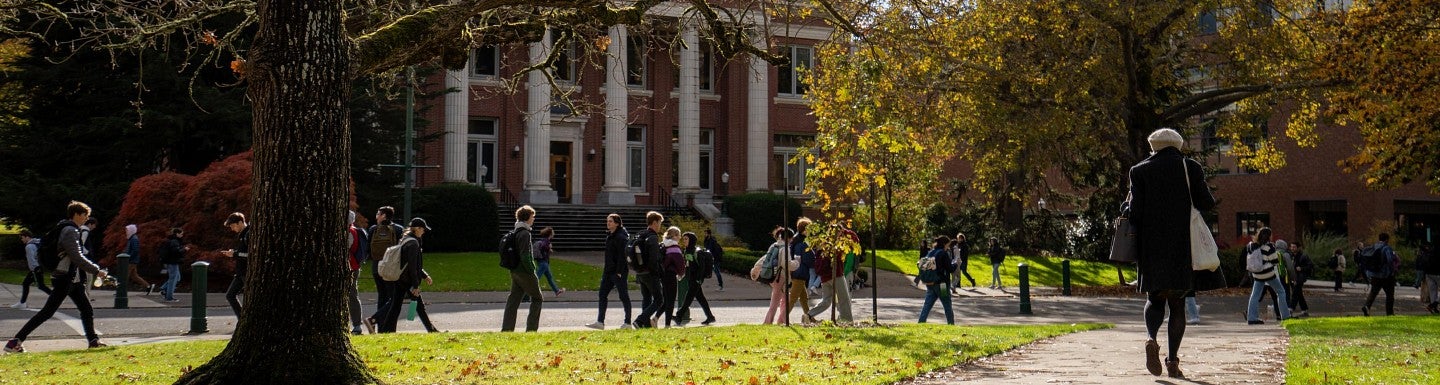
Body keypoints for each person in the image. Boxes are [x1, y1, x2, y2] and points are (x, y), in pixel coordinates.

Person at [1128, 128, 1217, 378]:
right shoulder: (1190, 167)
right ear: (1178, 145)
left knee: (1154, 299)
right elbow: (1207, 203)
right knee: (1177, 305)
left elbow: (1134, 213)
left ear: (1153, 146)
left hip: (1151, 248)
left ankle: (1150, 339)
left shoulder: (1139, 170)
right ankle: (1173, 363)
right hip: (1182, 246)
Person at [5, 201, 110, 352]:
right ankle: (15, 342)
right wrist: (96, 270)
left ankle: (93, 341)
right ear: (77, 214)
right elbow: (76, 256)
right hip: (64, 277)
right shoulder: (70, 230)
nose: (87, 218)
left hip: (73, 278)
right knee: (47, 312)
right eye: (85, 215)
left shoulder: (66, 228)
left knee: (86, 309)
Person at [379, 217, 432, 332]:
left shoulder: (405, 239)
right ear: (417, 229)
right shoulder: (413, 243)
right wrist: (416, 285)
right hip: (408, 280)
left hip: (400, 277)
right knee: (419, 306)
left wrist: (424, 275)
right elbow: (413, 266)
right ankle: (431, 329)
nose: (423, 232)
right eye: (423, 229)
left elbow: (409, 264)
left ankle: (387, 330)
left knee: (396, 305)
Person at [586, 213, 632, 330]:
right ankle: (600, 322)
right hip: (608, 271)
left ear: (617, 223)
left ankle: (627, 322)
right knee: (602, 294)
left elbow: (623, 256)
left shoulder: (621, 237)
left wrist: (619, 271)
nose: (608, 223)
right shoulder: (610, 236)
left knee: (623, 296)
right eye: (607, 221)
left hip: (618, 272)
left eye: (610, 221)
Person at [364, 206, 406, 334]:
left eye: (378, 214)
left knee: (382, 296)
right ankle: (385, 326)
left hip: (377, 268)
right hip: (391, 269)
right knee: (393, 298)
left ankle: (380, 327)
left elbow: (368, 249)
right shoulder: (398, 229)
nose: (376, 216)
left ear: (383, 215)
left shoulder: (373, 229)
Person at [502, 206, 544, 332]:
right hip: (525, 272)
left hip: (515, 270)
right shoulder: (525, 233)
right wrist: (532, 270)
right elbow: (525, 255)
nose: (533, 219)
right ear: (527, 218)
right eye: (532, 216)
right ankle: (531, 329)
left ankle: (507, 329)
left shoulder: (516, 231)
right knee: (537, 298)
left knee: (513, 300)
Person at [808, 224, 855, 323]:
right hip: (836, 275)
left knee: (826, 301)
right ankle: (847, 321)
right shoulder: (837, 245)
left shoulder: (823, 243)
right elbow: (855, 239)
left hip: (824, 277)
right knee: (844, 299)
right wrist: (845, 231)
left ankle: (809, 315)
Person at [1245, 228, 1291, 324]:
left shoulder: (1253, 246)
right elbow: (1275, 261)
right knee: (1281, 292)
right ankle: (1285, 316)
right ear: (1269, 236)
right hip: (1268, 274)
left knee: (1255, 296)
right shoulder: (1269, 247)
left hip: (1257, 274)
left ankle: (1251, 318)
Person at [630, 211, 666, 328]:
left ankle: (646, 324)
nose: (660, 225)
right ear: (655, 222)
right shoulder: (653, 237)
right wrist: (656, 272)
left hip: (640, 272)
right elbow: (653, 258)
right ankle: (640, 320)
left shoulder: (642, 234)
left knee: (646, 298)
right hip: (650, 273)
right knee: (659, 300)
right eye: (659, 223)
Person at [676, 232, 716, 326]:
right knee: (701, 299)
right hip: (690, 279)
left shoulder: (697, 252)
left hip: (696, 280)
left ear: (691, 240)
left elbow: (701, 267)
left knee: (688, 298)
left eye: (686, 239)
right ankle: (710, 317)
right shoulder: (686, 250)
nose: (684, 240)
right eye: (684, 239)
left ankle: (679, 315)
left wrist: (699, 279)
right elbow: (687, 265)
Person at [754, 227, 793, 325]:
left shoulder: (774, 245)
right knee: (776, 302)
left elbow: (765, 258)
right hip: (781, 277)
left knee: (785, 299)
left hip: (772, 276)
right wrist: (797, 262)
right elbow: (787, 264)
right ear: (788, 238)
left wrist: (756, 268)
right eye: (791, 238)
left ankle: (782, 320)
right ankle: (768, 322)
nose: (792, 240)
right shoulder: (785, 248)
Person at [918, 235, 956, 324]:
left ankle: (921, 322)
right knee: (947, 304)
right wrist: (956, 264)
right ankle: (951, 323)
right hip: (942, 284)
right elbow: (950, 269)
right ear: (944, 244)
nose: (948, 247)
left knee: (927, 305)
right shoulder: (943, 253)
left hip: (930, 283)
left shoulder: (930, 252)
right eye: (948, 245)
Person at [1360, 233, 1400, 316]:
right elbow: (1389, 261)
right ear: (1386, 239)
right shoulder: (1387, 248)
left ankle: (1367, 306)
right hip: (1386, 275)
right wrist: (1393, 271)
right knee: (1390, 294)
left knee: (1373, 292)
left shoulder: (1373, 247)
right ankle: (1389, 313)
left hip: (1374, 274)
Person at [11, 230, 51, 309]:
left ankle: (56, 297)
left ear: (27, 237)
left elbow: (32, 260)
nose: (22, 240)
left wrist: (34, 270)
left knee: (40, 286)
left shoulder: (29, 246)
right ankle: (22, 303)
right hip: (39, 267)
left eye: (22, 238)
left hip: (36, 269)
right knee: (26, 284)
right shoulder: (37, 243)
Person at [219, 213, 249, 317]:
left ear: (240, 222)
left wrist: (235, 254)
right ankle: (242, 320)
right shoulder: (242, 235)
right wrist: (234, 253)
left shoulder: (248, 234)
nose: (232, 229)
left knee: (233, 296)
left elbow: (252, 255)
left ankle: (244, 320)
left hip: (246, 272)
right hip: (241, 272)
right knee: (230, 295)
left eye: (232, 226)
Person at [787, 217, 816, 324]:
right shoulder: (802, 243)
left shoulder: (796, 239)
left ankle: (810, 317)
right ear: (805, 229)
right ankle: (783, 318)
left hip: (796, 272)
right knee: (793, 298)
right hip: (799, 273)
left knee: (804, 298)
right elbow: (809, 259)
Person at [344, 211, 367, 334]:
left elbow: (346, 248)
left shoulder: (349, 233)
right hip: (353, 266)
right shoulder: (353, 230)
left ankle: (357, 325)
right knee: (352, 295)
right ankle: (356, 324)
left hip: (350, 267)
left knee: (351, 295)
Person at [659, 226, 685, 327]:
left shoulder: (663, 245)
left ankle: (656, 318)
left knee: (666, 299)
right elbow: (680, 263)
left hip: (663, 275)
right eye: (679, 235)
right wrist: (681, 273)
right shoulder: (674, 248)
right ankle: (667, 324)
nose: (680, 237)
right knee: (671, 300)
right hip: (671, 275)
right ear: (674, 236)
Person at [121, 224, 155, 295]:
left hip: (131, 260)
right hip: (132, 260)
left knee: (125, 275)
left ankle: (121, 290)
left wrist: (128, 256)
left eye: (127, 230)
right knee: (134, 276)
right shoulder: (132, 238)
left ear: (131, 231)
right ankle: (148, 286)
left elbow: (135, 250)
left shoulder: (133, 239)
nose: (126, 231)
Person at [159, 227, 190, 303]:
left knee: (177, 277)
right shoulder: (174, 241)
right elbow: (176, 252)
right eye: (181, 234)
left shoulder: (172, 241)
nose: (182, 235)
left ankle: (164, 288)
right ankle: (169, 297)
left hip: (171, 262)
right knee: (173, 279)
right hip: (173, 262)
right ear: (177, 234)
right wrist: (184, 249)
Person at [533, 227, 565, 296]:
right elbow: (543, 247)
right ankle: (529, 292)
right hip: (543, 262)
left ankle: (557, 291)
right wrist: (549, 248)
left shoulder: (544, 240)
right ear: (550, 234)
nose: (554, 233)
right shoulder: (546, 241)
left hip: (543, 262)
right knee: (537, 278)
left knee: (549, 277)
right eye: (552, 232)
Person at [1286, 241, 1314, 317]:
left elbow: (1310, 265)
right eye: (1291, 247)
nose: (1292, 248)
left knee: (1295, 292)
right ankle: (1304, 310)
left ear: (1298, 248)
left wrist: (1301, 268)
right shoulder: (1290, 256)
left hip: (1300, 277)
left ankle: (1291, 309)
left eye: (1294, 247)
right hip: (1293, 277)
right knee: (1299, 293)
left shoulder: (1303, 256)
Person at [1419, 242, 1438, 314]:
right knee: (1433, 291)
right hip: (1437, 273)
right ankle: (1434, 304)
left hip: (1428, 273)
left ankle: (1434, 308)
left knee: (1433, 292)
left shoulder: (1427, 253)